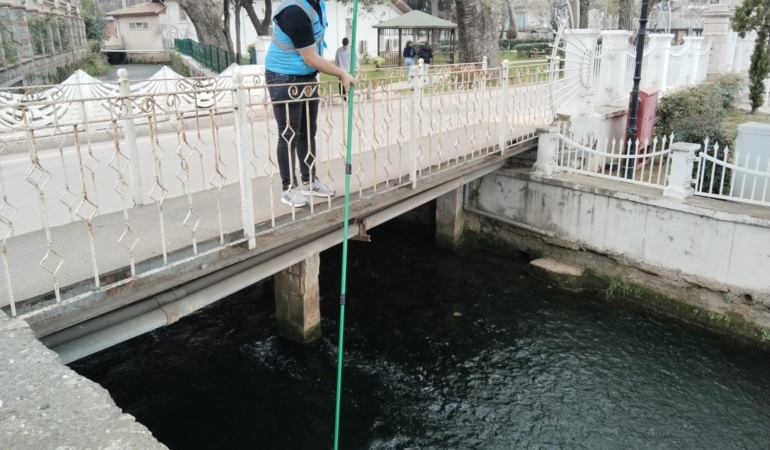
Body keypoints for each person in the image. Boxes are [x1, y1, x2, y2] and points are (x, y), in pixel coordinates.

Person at [265, 0, 355, 208]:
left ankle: (309, 181)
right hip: (283, 75)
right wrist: (342, 73)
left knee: (308, 131)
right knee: (289, 134)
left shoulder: (317, 4)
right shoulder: (293, 12)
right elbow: (310, 57)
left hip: (306, 75)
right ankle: (289, 188)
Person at [334, 37, 359, 101]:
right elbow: (336, 61)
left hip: (349, 70)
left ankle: (350, 97)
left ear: (348, 43)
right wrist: (337, 69)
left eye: (346, 45)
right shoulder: (339, 50)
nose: (345, 47)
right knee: (341, 85)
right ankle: (343, 97)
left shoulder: (352, 50)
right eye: (344, 45)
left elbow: (356, 59)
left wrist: (356, 68)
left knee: (350, 84)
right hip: (341, 71)